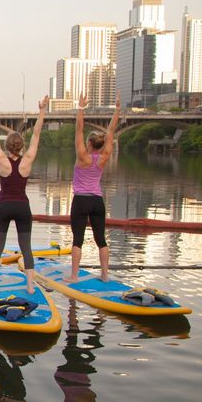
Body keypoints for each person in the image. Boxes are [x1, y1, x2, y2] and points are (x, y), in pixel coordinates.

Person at [0, 94, 48, 294]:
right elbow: (36, 135)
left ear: (7, 146)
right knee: (26, 248)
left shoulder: (2, 160)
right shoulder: (27, 159)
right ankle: (29, 285)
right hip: (22, 206)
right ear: (21, 146)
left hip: (4, 206)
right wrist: (42, 111)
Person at [67, 93, 120, 282]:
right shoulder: (104, 157)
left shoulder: (83, 156)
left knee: (78, 240)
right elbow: (111, 132)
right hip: (97, 201)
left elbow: (78, 131)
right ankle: (105, 275)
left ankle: (74, 276)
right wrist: (117, 111)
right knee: (101, 239)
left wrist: (81, 109)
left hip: (81, 200)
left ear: (89, 144)